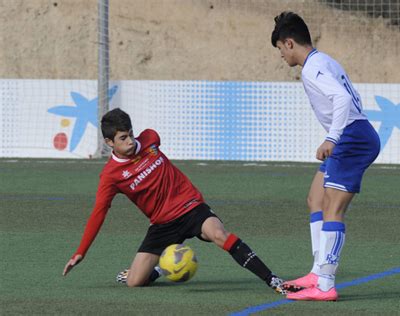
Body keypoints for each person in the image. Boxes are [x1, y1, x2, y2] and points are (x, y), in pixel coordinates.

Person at [62, 108, 291, 294]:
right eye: (123, 138)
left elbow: (147, 141)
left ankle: (273, 280)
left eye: (131, 134)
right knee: (134, 281)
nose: (130, 141)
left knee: (219, 234)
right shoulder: (111, 176)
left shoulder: (150, 139)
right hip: (162, 224)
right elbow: (99, 213)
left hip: (190, 206)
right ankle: (162, 268)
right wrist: (81, 251)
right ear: (109, 142)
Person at [271, 12, 380, 301]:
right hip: (352, 135)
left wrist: (332, 137)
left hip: (353, 138)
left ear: (289, 43)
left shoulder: (312, 68)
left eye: (281, 49)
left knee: (333, 209)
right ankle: (317, 272)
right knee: (316, 199)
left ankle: (326, 284)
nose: (282, 56)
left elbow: (342, 99)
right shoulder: (323, 60)